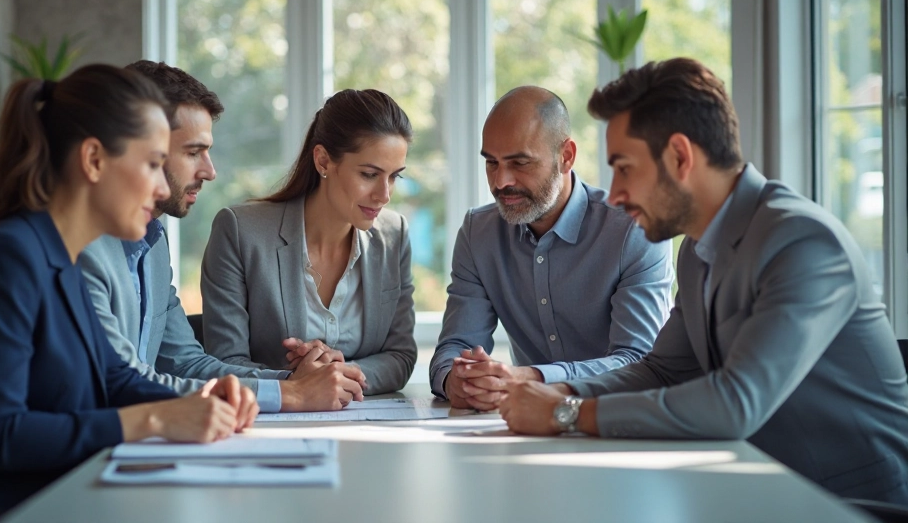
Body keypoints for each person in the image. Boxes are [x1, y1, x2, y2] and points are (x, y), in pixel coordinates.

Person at [498, 58, 908, 504]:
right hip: (763, 492)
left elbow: (736, 403)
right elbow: (664, 370)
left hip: (852, 506)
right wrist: (559, 390)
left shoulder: (803, 242)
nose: (614, 193)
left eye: (625, 168)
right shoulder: (698, 248)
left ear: (679, 156)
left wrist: (567, 413)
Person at [0, 65, 258, 512]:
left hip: (68, 496)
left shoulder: (63, 254)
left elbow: (113, 377)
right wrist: (157, 417)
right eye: (154, 164)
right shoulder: (7, 260)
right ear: (94, 160)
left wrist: (203, 398)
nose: (162, 186)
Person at [429, 86, 673, 411]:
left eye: (520, 162)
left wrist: (533, 378)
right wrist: (455, 380)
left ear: (566, 157)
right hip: (525, 429)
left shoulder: (632, 230)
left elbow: (639, 363)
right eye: (491, 163)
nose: (501, 181)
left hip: (619, 425)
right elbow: (456, 346)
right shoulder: (479, 233)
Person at [80, 60, 300, 413]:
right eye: (193, 152)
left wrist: (294, 381)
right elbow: (121, 382)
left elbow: (182, 363)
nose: (210, 171)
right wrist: (291, 396)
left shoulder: (152, 240)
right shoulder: (80, 247)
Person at [201, 88, 416, 405]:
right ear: (323, 160)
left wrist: (340, 374)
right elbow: (223, 364)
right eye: (369, 174)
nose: (384, 194)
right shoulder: (239, 232)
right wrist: (299, 384)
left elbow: (400, 357)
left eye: (394, 176)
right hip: (268, 431)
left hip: (364, 427)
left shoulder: (393, 235)